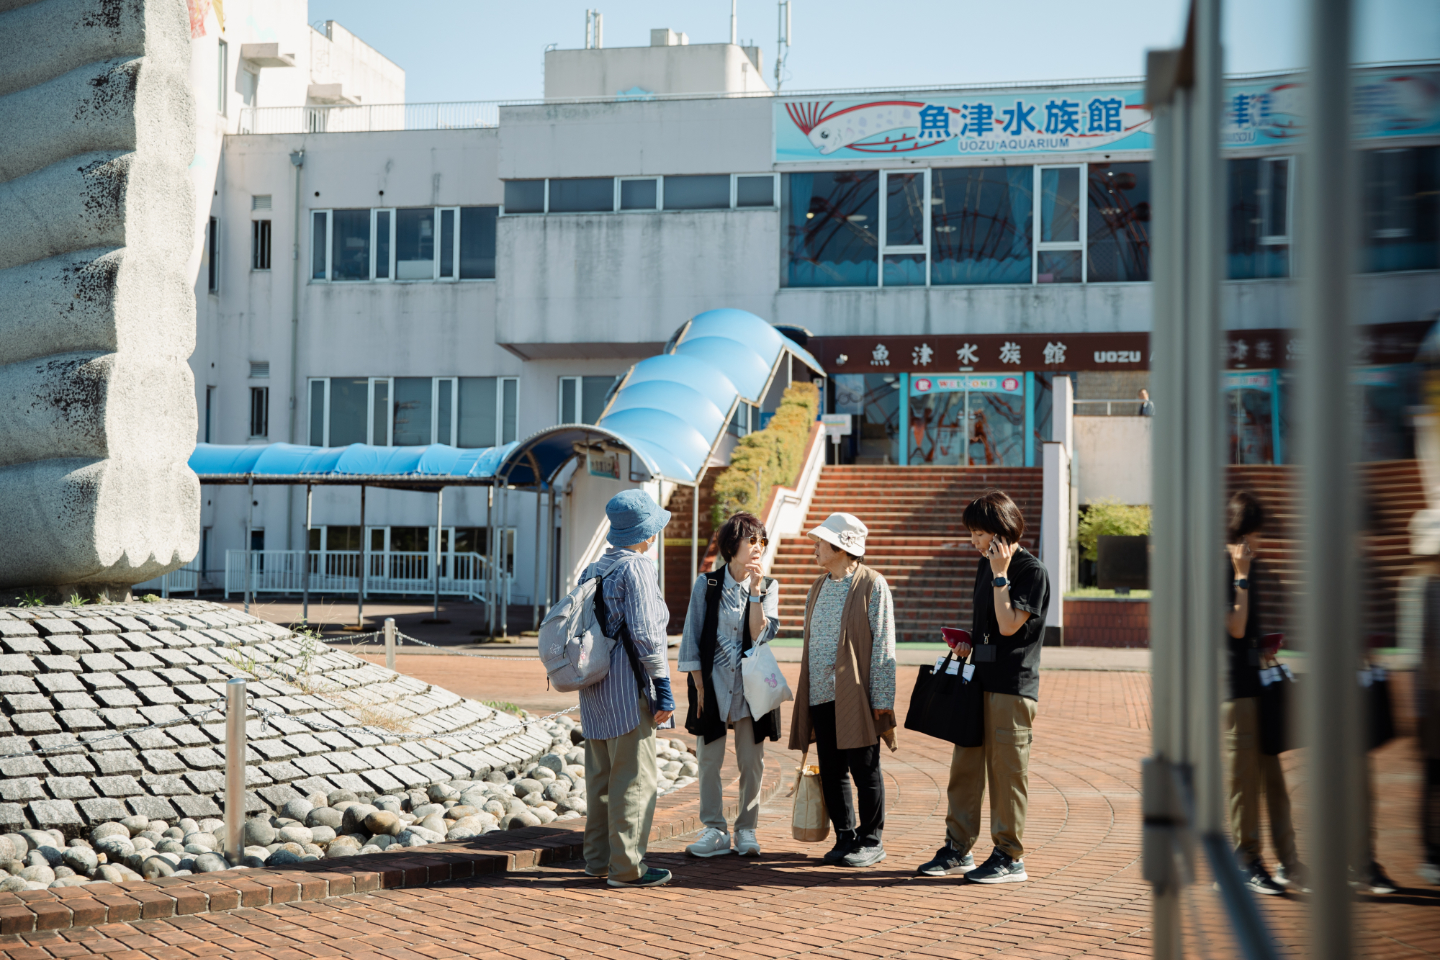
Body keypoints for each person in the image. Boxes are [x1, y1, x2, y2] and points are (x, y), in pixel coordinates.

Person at [918, 489, 1050, 884]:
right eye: (971, 533)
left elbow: (1009, 625)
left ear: (1000, 531)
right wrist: (968, 643)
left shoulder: (1030, 571)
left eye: (978, 533)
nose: (973, 541)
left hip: (1012, 686)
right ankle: (957, 849)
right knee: (966, 768)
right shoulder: (985, 565)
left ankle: (1009, 857)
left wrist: (1000, 574)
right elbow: (991, 627)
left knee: (1007, 775)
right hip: (977, 679)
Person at [578, 489, 676, 888]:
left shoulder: (593, 568)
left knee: (600, 779)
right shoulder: (637, 568)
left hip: (593, 688)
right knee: (635, 780)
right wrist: (663, 685)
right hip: (627, 688)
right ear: (646, 533)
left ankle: (598, 860)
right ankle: (627, 868)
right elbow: (647, 633)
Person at [788, 513, 896, 868]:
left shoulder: (872, 584)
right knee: (832, 769)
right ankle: (845, 836)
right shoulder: (817, 586)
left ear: (840, 547)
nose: (815, 547)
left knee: (865, 769)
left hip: (857, 695)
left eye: (820, 542)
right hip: (820, 692)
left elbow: (883, 643)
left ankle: (872, 840)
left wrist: (882, 698)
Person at [677, 512, 781, 858]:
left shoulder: (769, 586)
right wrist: (698, 687)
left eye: (762, 541)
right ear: (731, 545)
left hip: (752, 688)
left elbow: (759, 634)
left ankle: (746, 829)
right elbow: (691, 636)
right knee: (709, 760)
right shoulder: (706, 584)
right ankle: (714, 829)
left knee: (752, 762)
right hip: (713, 685)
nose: (758, 547)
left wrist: (755, 593)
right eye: (752, 540)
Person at [1222, 491, 1306, 896]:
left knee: (1274, 780)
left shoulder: (1249, 566)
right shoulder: (1222, 569)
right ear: (1241, 533)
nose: (1258, 544)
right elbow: (1234, 627)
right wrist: (1240, 577)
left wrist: (1266, 647)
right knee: (1244, 783)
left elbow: (1249, 632)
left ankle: (1289, 861)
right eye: (1254, 535)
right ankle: (1246, 862)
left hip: (1258, 684)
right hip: (1233, 690)